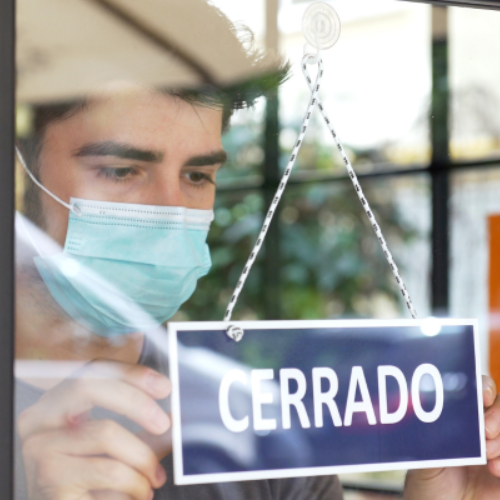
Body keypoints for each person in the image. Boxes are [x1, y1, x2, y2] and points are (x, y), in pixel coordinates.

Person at [14, 2, 500, 499]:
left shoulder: (257, 418)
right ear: (17, 174)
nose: (171, 212)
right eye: (121, 171)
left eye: (197, 176)